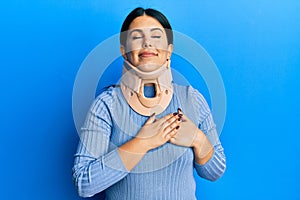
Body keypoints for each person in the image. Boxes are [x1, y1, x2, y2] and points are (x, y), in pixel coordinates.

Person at [72, 7, 226, 199]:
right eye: (137, 37)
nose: (147, 43)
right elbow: (84, 184)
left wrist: (197, 139)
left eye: (156, 36)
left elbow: (215, 171)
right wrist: (142, 143)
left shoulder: (192, 100)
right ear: (124, 51)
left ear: (169, 50)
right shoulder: (106, 106)